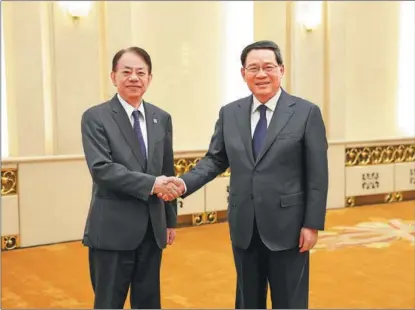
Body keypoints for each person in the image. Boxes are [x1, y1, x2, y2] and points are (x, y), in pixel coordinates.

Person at [160, 40, 329, 309]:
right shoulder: (230, 113)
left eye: (268, 67)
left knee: (290, 301)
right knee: (248, 300)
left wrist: (312, 224)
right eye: (253, 68)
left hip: (289, 226)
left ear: (281, 70)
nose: (261, 74)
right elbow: (215, 160)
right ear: (243, 74)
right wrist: (183, 183)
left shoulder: (306, 112)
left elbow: (318, 174)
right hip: (244, 226)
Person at [81, 46, 180, 309]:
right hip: (112, 230)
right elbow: (101, 169)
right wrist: (151, 184)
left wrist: (170, 220)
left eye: (141, 72)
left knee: (148, 303)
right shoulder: (96, 117)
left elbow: (167, 170)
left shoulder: (161, 118)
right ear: (113, 77)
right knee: (109, 302)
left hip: (152, 230)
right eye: (126, 72)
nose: (134, 78)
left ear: (149, 78)